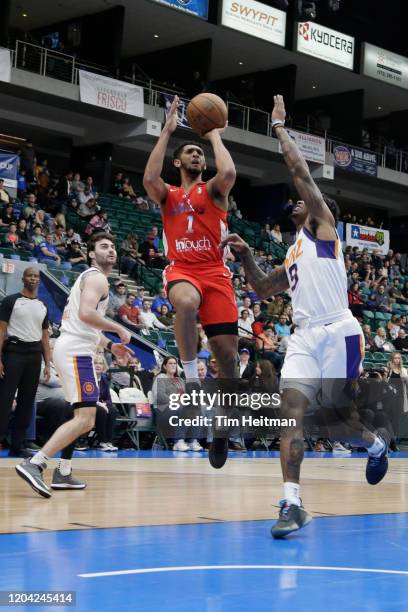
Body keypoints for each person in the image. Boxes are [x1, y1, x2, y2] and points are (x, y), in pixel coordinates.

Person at [221, 95, 390, 538]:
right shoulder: (294, 251)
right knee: (290, 413)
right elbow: (261, 287)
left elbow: (299, 173)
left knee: (339, 421)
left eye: (302, 201)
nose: (294, 202)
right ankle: (292, 502)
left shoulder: (323, 227)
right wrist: (244, 256)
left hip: (340, 329)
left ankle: (375, 445)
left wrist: (279, 128)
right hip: (303, 337)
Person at [143, 96, 238, 469]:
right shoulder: (168, 193)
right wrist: (167, 131)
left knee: (229, 362)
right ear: (178, 163)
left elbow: (228, 174)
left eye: (201, 152)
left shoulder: (213, 190)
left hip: (216, 272)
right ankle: (191, 377)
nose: (197, 156)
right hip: (182, 268)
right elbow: (149, 178)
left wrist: (214, 136)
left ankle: (221, 430)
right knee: (184, 303)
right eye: (191, 152)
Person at [15, 233, 133, 498]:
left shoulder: (89, 278)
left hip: (75, 346)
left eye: (113, 246)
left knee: (78, 414)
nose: (111, 250)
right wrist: (119, 329)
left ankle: (64, 471)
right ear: (91, 253)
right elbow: (86, 314)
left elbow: (86, 325)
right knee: (86, 419)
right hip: (77, 353)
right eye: (104, 246)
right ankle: (35, 464)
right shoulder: (97, 277)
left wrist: (111, 346)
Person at [0, 268, 50, 457]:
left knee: (27, 402)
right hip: (13, 352)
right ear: (23, 278)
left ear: (39, 281)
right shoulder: (11, 300)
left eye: (36, 276)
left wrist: (48, 364)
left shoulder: (42, 305)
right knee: (4, 400)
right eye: (30, 275)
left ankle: (17, 446)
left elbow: (45, 337)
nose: (33, 278)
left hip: (34, 355)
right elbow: (1, 331)